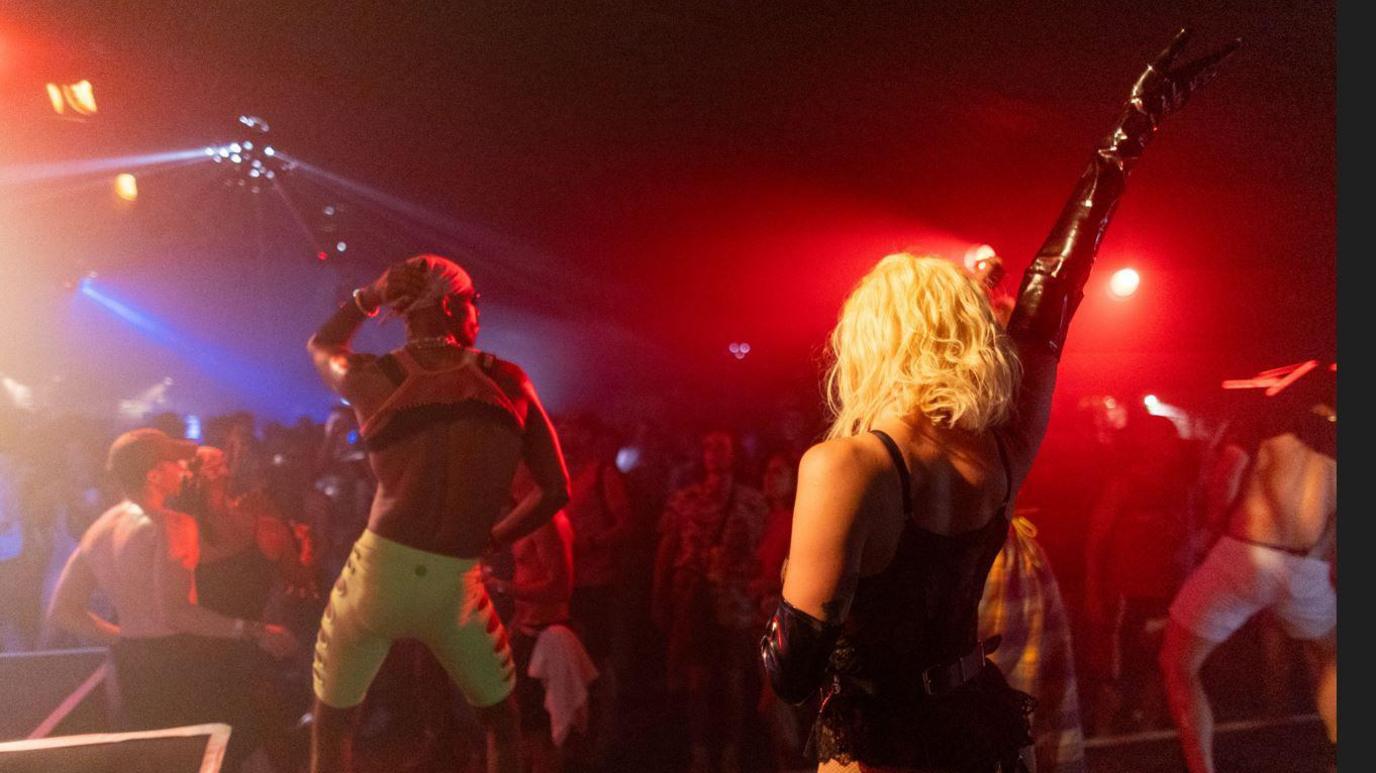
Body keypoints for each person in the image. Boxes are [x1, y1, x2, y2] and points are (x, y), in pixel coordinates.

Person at [760, 30, 1238, 772]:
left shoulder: (846, 465)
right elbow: (1051, 304)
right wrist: (1124, 140)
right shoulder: (1002, 448)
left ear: (868, 339)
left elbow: (792, 672)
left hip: (881, 746)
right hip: (972, 725)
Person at [306, 254, 570, 773]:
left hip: (378, 576)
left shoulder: (373, 376)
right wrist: (493, 538)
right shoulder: (509, 381)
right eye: (474, 305)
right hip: (455, 584)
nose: (478, 317)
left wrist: (368, 296)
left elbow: (321, 346)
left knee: (334, 721)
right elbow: (556, 489)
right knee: (501, 723)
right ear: (451, 306)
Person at [46, 428, 298, 770]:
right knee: (224, 760)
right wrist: (255, 631)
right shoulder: (172, 524)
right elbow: (176, 613)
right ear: (155, 474)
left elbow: (63, 611)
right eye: (176, 463)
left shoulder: (100, 528)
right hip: (182, 667)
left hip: (131, 668)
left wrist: (126, 636)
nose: (183, 469)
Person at [1160, 377, 1336, 773]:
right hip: (1305, 566)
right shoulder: (1333, 449)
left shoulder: (1258, 427)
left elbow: (1226, 478)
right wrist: (1319, 560)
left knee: (1178, 663)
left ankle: (1201, 767)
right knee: (1333, 659)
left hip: (1245, 556)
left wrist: (1212, 527)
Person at [654, 428, 768, 773]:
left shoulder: (752, 500)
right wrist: (658, 596)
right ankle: (700, 751)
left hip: (734, 600)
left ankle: (731, 751)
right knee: (697, 678)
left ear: (733, 453)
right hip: (693, 600)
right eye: (707, 446)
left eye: (721, 447)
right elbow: (667, 547)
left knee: (732, 679)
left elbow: (764, 549)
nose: (713, 453)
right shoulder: (685, 499)